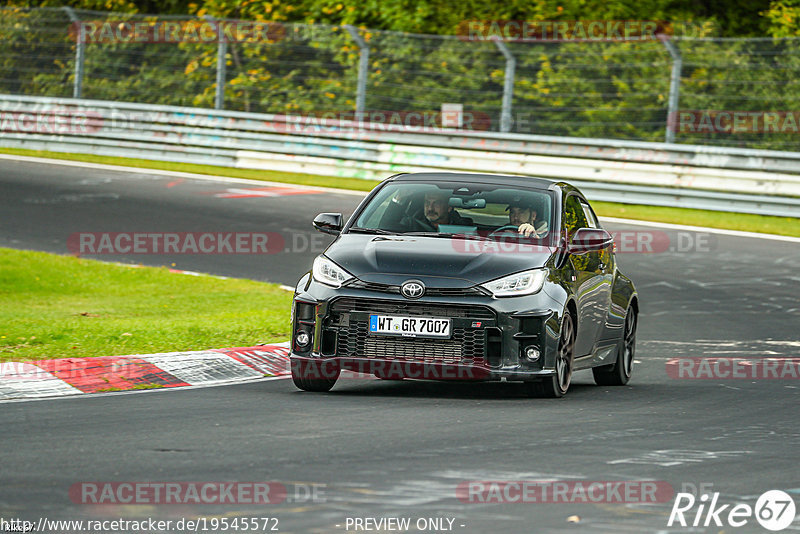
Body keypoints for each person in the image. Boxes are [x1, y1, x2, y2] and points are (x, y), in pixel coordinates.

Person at [381, 188, 472, 232]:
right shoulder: (410, 224)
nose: (430, 208)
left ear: (449, 207)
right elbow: (385, 228)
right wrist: (399, 198)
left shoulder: (465, 227)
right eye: (427, 203)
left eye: (436, 203)